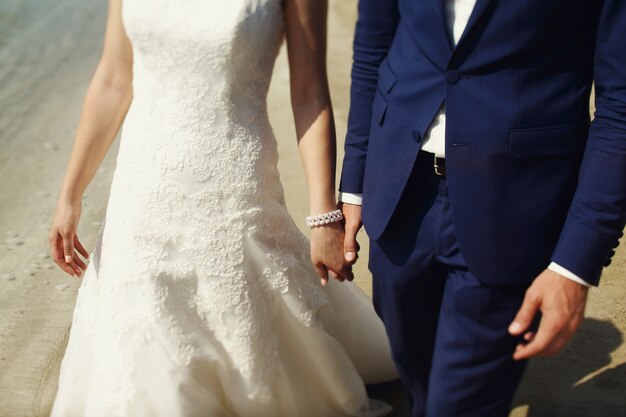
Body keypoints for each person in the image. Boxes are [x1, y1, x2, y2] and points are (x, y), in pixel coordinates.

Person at [48, 1, 397, 416]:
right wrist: (71, 193)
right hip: (142, 184)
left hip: (235, 181)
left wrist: (324, 218)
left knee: (244, 332)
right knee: (143, 330)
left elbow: (309, 94)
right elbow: (113, 79)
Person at [338, 0, 626, 416]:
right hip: (399, 193)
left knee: (458, 405)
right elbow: (372, 45)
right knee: (417, 382)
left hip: (517, 206)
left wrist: (575, 265)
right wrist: (355, 187)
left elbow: (620, 109)